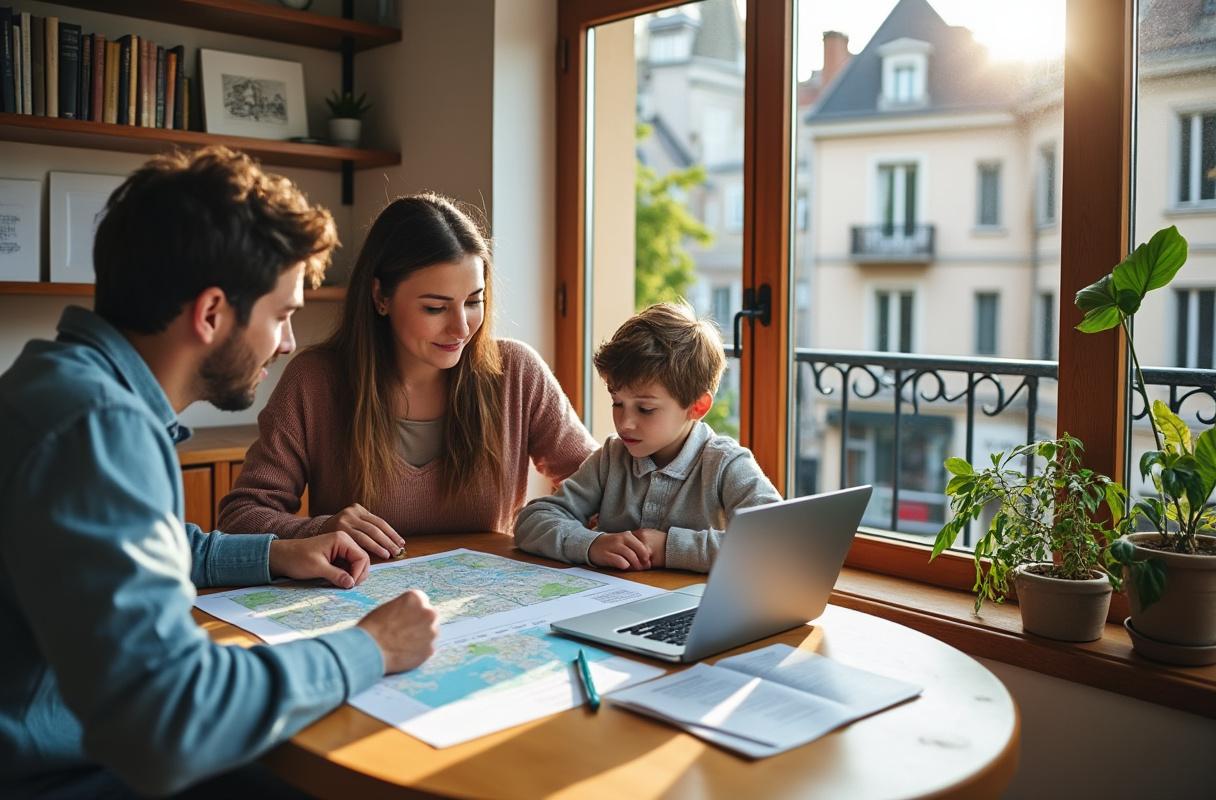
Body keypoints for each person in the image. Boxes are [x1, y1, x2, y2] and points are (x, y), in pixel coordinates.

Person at [0, 147, 440, 798]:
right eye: (283, 314)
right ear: (211, 314)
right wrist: (371, 647)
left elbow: (143, 547)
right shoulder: (99, 429)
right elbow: (173, 718)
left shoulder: (49, 384)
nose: (287, 342)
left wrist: (279, 552)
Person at [217, 194, 596, 557]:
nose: (462, 328)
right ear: (381, 296)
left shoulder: (517, 372)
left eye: (473, 301)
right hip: (364, 606)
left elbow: (607, 489)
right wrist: (320, 528)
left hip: (485, 606)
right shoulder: (315, 381)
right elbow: (241, 518)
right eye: (435, 308)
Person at [514, 302, 781, 572]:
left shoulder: (725, 464)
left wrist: (670, 549)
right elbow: (533, 520)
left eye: (645, 409)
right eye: (617, 403)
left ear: (697, 406)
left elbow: (777, 541)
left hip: (697, 611)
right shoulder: (611, 458)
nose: (625, 423)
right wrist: (592, 544)